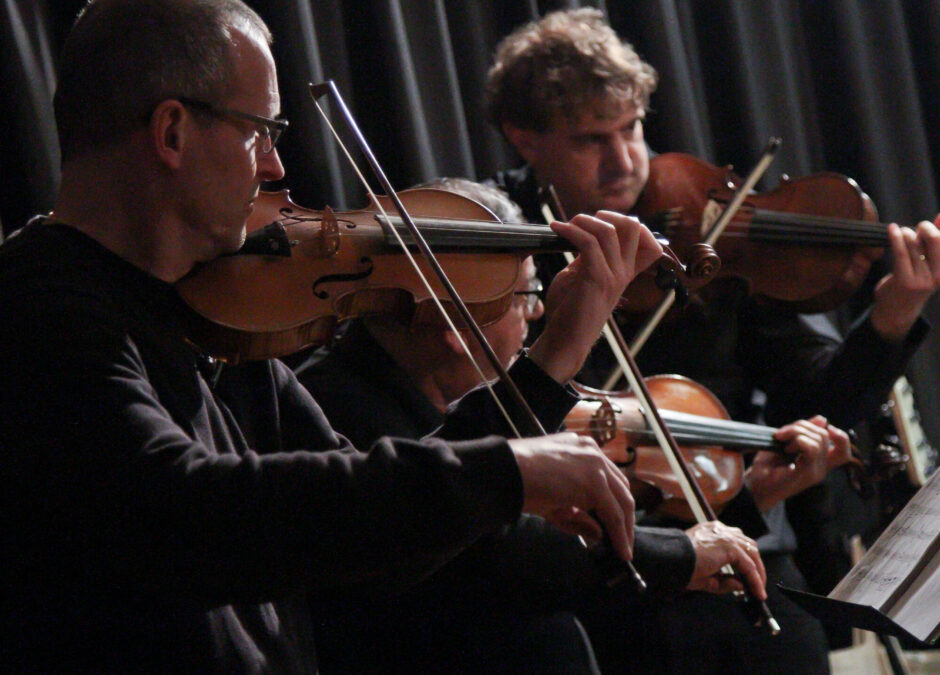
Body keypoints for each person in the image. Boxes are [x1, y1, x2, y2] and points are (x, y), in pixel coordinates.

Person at [0, 2, 702, 671]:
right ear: (173, 131)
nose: (277, 168)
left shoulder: (215, 314)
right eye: (261, 132)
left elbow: (376, 536)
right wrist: (511, 468)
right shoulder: (42, 304)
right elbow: (187, 512)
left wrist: (551, 359)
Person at [485, 8, 940, 674]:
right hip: (598, 581)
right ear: (524, 138)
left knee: (786, 641)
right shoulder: (505, 246)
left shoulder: (708, 240)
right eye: (591, 140)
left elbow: (822, 400)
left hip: (738, 542)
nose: (625, 160)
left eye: (632, 129)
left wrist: (893, 312)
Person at [298, 177, 850, 674]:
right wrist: (682, 552)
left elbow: (595, 546)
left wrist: (744, 501)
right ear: (453, 325)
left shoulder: (450, 400)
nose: (537, 314)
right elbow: (511, 556)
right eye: (527, 296)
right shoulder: (339, 409)